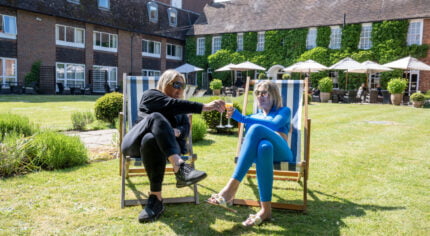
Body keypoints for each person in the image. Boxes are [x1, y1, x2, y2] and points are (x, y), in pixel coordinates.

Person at [121, 69, 225, 223]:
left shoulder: (181, 112)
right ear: (165, 83)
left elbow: (185, 130)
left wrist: (177, 132)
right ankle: (181, 167)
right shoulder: (151, 95)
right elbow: (171, 104)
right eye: (176, 84)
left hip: (161, 150)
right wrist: (205, 107)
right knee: (156, 117)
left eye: (183, 86)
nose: (180, 89)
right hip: (135, 145)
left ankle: (155, 199)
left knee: (151, 138)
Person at [207, 81, 293, 227]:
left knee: (255, 128)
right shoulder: (256, 115)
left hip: (283, 153)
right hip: (266, 153)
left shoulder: (284, 111)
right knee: (264, 147)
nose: (260, 96)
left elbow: (273, 125)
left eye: (264, 93)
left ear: (274, 95)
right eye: (258, 93)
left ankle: (231, 188)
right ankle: (266, 210)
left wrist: (242, 118)